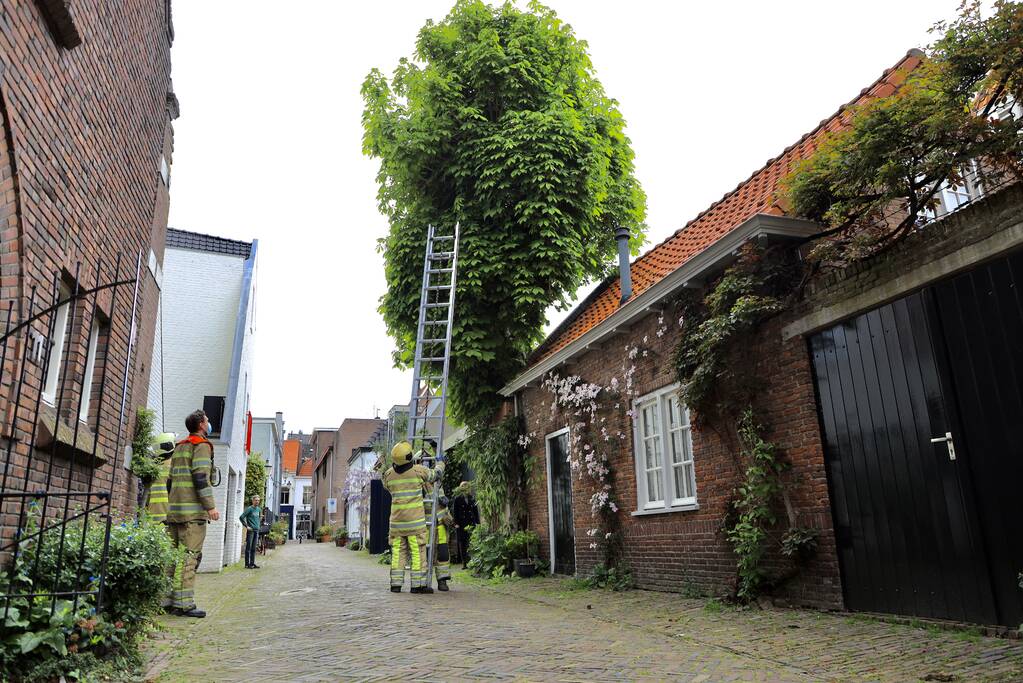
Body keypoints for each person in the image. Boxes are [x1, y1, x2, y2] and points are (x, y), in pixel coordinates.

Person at [166, 409, 220, 618]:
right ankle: (185, 604)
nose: (209, 423)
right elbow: (200, 477)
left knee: (170, 559)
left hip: (174, 513)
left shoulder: (179, 447)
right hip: (193, 516)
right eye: (207, 420)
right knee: (189, 559)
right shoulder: (201, 446)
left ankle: (166, 601)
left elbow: (170, 480)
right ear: (201, 425)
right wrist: (210, 507)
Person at [382, 440, 444, 594]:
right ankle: (417, 586)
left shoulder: (389, 475)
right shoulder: (418, 471)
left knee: (398, 554)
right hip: (415, 524)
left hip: (396, 524)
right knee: (417, 553)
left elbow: (386, 486)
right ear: (409, 456)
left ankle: (396, 585)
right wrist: (441, 462)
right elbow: (436, 475)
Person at [143, 432, 176, 610]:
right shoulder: (173, 467)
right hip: (166, 520)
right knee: (167, 563)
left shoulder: (152, 467)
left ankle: (151, 599)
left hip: (151, 520)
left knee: (153, 561)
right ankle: (163, 600)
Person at [452, 481, 479, 566]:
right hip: (461, 523)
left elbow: (475, 511)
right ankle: (464, 562)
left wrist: (478, 522)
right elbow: (455, 512)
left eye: (466, 486)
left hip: (471, 522)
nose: (465, 487)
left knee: (471, 541)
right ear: (460, 488)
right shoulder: (457, 499)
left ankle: (472, 561)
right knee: (462, 542)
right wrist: (455, 523)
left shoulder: (472, 498)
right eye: (463, 486)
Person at [431, 495, 454, 591]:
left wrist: (448, 518)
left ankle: (442, 581)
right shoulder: (419, 486)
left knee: (443, 556)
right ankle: (422, 583)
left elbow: (446, 512)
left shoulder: (439, 487)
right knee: (424, 557)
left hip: (440, 531)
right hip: (426, 529)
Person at [239, 495, 262, 569]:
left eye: (258, 500)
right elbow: (241, 517)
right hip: (251, 531)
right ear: (253, 501)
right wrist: (246, 526)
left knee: (253, 548)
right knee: (248, 547)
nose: (257, 502)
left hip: (256, 530)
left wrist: (259, 523)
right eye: (256, 500)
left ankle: (252, 563)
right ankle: (247, 564)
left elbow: (259, 518)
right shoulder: (249, 509)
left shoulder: (259, 509)